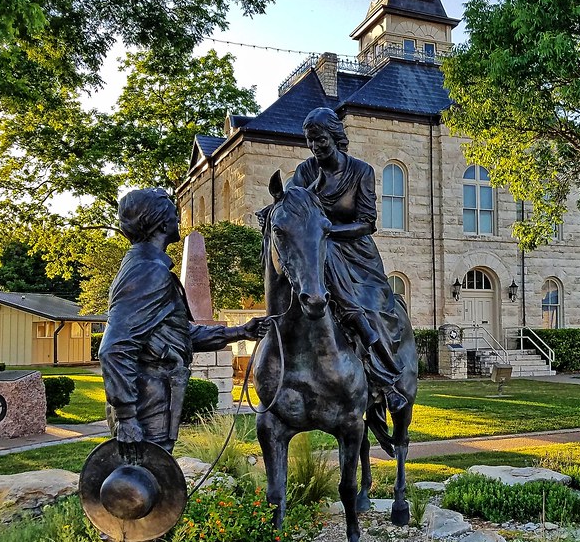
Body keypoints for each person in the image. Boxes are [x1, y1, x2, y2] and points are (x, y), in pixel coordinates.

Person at [99, 188, 269, 451]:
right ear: (160, 222)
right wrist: (127, 417)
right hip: (147, 404)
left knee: (153, 484)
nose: (178, 220)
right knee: (147, 484)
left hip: (156, 399)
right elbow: (113, 349)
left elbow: (179, 335)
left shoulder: (149, 268)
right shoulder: (147, 272)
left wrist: (240, 332)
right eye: (173, 214)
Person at [288, 107, 408, 412]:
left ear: (336, 138)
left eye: (321, 140)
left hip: (355, 253)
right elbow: (289, 205)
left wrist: (327, 231)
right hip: (317, 250)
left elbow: (368, 222)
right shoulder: (305, 172)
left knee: (372, 311)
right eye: (310, 141)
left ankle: (387, 380)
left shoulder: (361, 171)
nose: (315, 147)